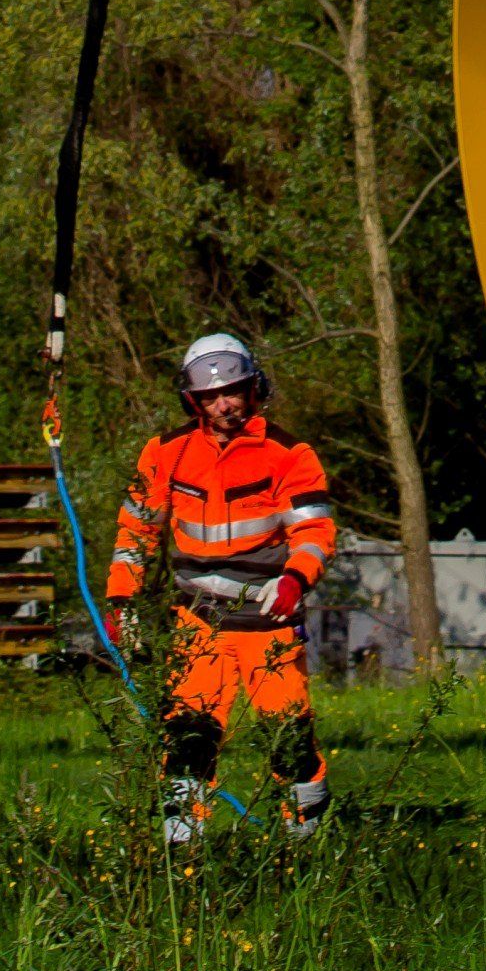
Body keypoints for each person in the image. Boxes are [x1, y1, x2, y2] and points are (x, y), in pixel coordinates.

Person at [106, 331, 337, 840]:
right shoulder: (165, 453)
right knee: (188, 738)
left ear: (254, 389)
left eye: (231, 391)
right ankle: (182, 854)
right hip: (196, 624)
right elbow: (136, 532)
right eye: (210, 396)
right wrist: (121, 599)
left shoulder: (289, 454)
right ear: (192, 400)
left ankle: (309, 848)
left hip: (267, 623)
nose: (223, 404)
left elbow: (315, 532)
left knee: (289, 739)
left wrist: (296, 581)